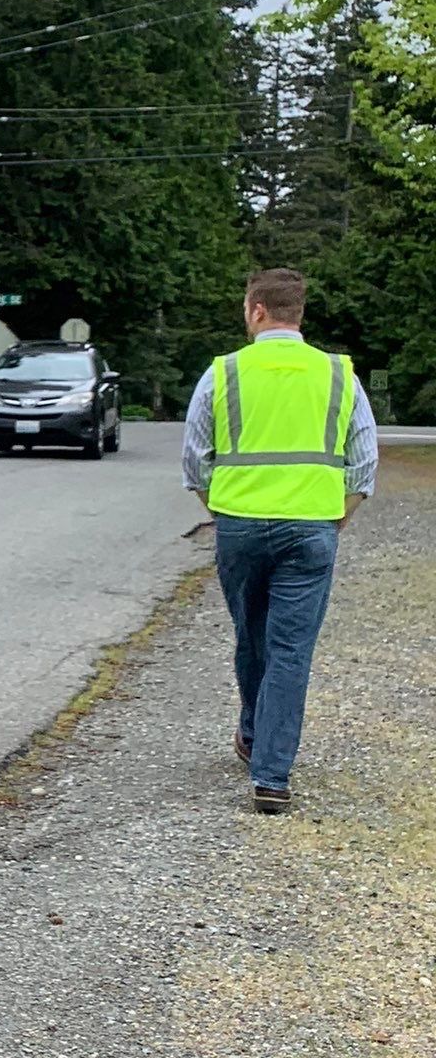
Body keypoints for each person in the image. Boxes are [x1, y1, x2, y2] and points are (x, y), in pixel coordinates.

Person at [181, 267, 376, 812]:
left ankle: (252, 734)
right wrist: (333, 521)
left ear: (257, 310)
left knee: (251, 636)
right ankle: (271, 775)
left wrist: (223, 511)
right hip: (313, 528)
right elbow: (363, 466)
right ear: (300, 314)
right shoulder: (339, 375)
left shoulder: (222, 374)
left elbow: (195, 463)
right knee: (290, 650)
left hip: (239, 526)